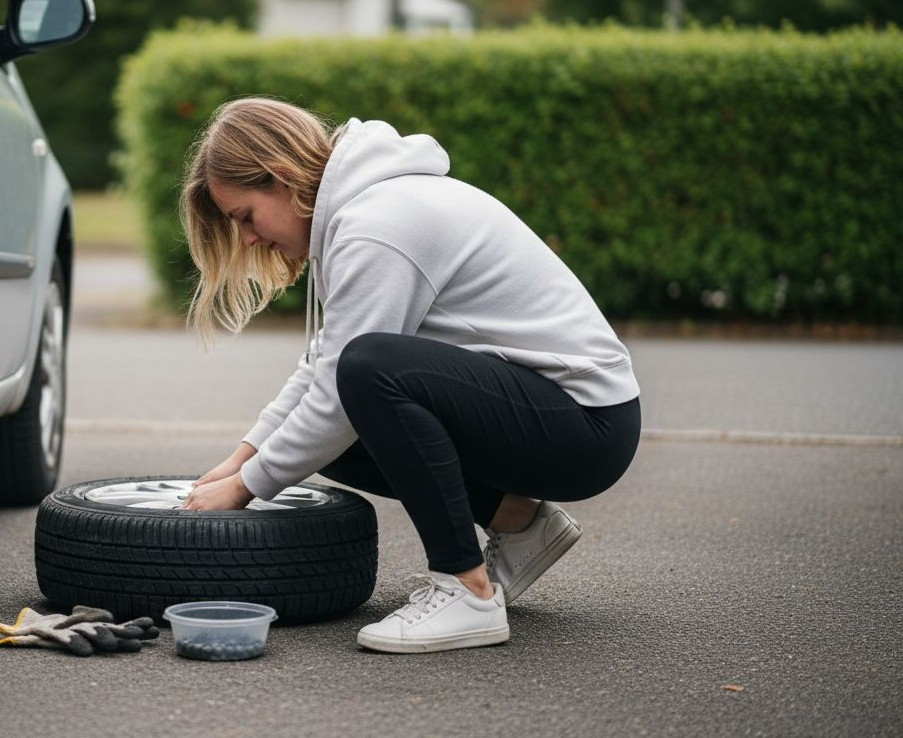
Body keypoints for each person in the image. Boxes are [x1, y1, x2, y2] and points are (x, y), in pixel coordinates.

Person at [177, 97, 641, 653]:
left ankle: (467, 592)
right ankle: (519, 522)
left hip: (586, 426)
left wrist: (245, 489)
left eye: (245, 217)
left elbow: (347, 380)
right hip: (555, 416)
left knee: (368, 375)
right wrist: (241, 459)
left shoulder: (378, 225)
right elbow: (324, 366)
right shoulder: (364, 213)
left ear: (280, 178)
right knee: (336, 422)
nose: (249, 238)